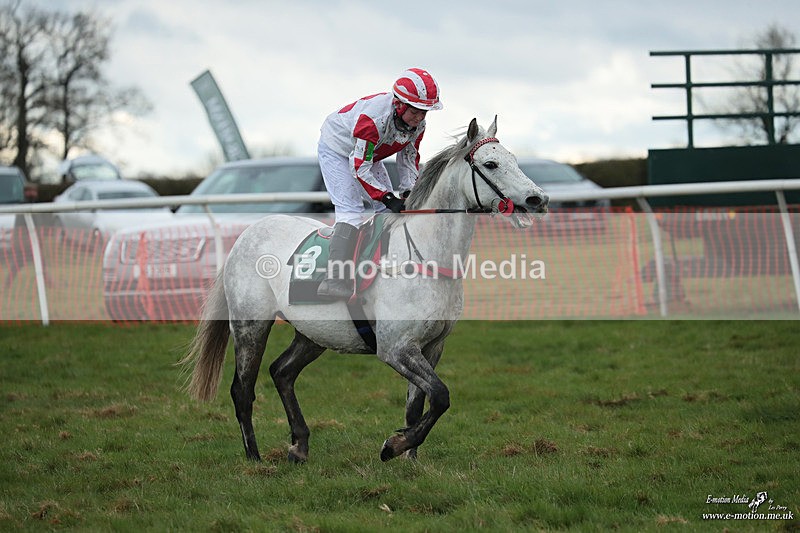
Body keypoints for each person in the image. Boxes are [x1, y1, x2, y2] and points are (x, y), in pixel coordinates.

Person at [316, 68, 443, 300]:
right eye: (415, 111)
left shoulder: (419, 126)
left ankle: (385, 268)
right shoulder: (373, 120)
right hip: (337, 149)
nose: (419, 118)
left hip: (366, 154)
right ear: (400, 105)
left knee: (387, 212)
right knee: (351, 211)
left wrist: (407, 192)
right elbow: (359, 168)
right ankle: (334, 278)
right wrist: (386, 196)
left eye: (424, 112)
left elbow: (408, 159)